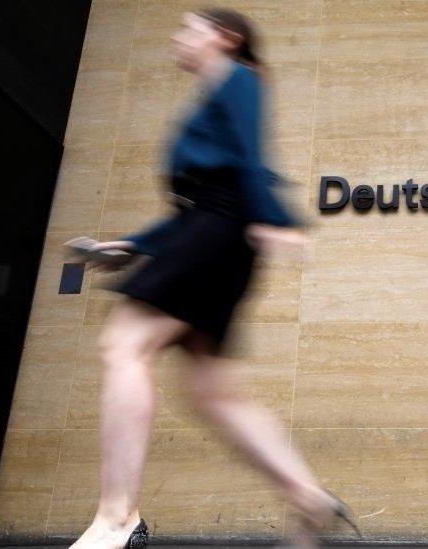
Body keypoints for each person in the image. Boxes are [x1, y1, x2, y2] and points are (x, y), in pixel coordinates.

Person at [65, 7, 360, 549]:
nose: (178, 37)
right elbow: (197, 200)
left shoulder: (237, 77)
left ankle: (117, 518)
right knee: (215, 393)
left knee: (124, 344)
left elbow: (251, 161)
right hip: (212, 231)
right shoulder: (218, 92)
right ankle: (307, 496)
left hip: (218, 232)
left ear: (226, 38)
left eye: (189, 28)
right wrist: (131, 246)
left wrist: (281, 221)